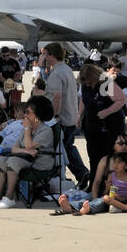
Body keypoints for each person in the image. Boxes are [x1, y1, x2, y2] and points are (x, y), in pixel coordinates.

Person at [0, 95, 56, 209]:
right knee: (2, 159)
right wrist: (26, 151)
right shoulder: (25, 129)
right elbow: (15, 148)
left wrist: (27, 130)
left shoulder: (46, 130)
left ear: (37, 114)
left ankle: (9, 197)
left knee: (13, 160)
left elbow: (29, 145)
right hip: (27, 158)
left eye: (28, 112)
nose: (25, 115)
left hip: (40, 163)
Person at [40, 43, 88, 184]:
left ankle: (80, 173)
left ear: (52, 55)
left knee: (62, 150)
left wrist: (54, 118)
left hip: (61, 119)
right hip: (70, 116)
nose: (44, 57)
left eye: (45, 54)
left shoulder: (57, 73)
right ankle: (82, 174)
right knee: (68, 147)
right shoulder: (66, 69)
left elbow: (57, 98)